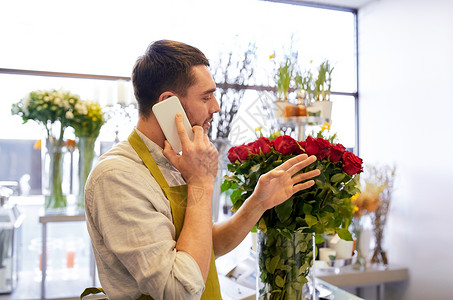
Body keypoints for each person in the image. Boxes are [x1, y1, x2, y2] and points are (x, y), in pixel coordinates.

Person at [84, 39, 320, 300]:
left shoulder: (177, 159)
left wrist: (258, 202)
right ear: (168, 103)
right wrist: (201, 182)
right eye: (206, 96)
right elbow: (179, 290)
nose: (216, 107)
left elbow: (207, 245)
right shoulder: (117, 177)